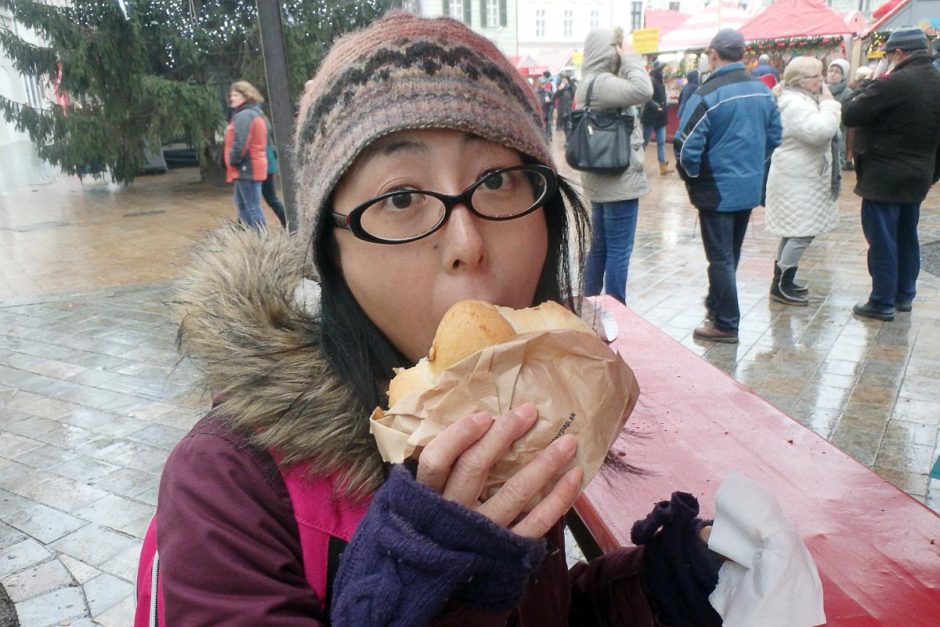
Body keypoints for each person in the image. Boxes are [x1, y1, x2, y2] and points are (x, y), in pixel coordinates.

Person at [135, 13, 724, 626]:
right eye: (399, 198)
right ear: (331, 253)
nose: (466, 241)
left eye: (497, 180)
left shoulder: (516, 406)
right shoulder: (226, 486)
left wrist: (660, 588)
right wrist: (430, 591)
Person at [674, 29, 782, 343]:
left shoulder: (709, 92)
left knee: (720, 257)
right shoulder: (761, 90)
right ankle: (716, 304)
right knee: (729, 255)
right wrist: (753, 165)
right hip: (746, 186)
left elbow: (686, 145)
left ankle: (726, 323)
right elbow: (775, 136)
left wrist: (693, 177)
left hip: (717, 188)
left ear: (712, 54)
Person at [842, 27, 940, 321]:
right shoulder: (936, 81)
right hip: (919, 174)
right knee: (907, 235)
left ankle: (882, 300)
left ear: (898, 54)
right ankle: (903, 295)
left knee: (883, 238)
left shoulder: (892, 83)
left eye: (887, 55)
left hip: (884, 176)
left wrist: (865, 85)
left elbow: (850, 114)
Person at [576, 28, 654, 304]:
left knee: (600, 248)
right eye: (618, 47)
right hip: (619, 181)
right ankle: (617, 308)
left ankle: (591, 304)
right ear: (610, 50)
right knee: (619, 250)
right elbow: (644, 89)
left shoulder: (589, 81)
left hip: (600, 179)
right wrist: (632, 58)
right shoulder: (604, 83)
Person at [764, 57, 842, 306]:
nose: (821, 80)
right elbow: (820, 132)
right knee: (802, 233)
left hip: (801, 177)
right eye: (815, 76)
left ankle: (782, 281)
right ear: (800, 80)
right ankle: (782, 284)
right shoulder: (794, 104)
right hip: (798, 180)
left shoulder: (798, 99)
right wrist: (831, 105)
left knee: (794, 231)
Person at [224, 80, 268, 230]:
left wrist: (233, 160)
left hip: (247, 167)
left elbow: (241, 141)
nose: (232, 98)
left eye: (235, 95)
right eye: (231, 95)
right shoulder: (251, 113)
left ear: (246, 96)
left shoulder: (244, 115)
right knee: (243, 205)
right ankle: (249, 236)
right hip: (248, 166)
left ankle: (260, 238)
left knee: (252, 207)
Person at [641, 61, 674, 175]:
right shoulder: (651, 80)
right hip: (651, 116)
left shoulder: (660, 81)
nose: (665, 71)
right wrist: (657, 106)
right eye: (663, 69)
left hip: (660, 117)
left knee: (661, 142)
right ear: (659, 70)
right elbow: (646, 97)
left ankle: (662, 166)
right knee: (644, 142)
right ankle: (637, 165)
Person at [826, 59, 854, 171]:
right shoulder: (820, 89)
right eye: (830, 70)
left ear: (843, 75)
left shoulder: (848, 93)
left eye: (837, 72)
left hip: (839, 136)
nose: (832, 74)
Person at [262, 115, 288, 228]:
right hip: (267, 165)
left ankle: (287, 222)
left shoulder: (258, 119)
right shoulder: (262, 118)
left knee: (270, 198)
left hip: (264, 167)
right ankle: (287, 222)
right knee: (247, 199)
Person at [552, 75, 574, 143]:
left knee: (570, 126)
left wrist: (569, 85)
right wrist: (559, 89)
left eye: (565, 80)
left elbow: (574, 92)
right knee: (565, 127)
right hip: (563, 110)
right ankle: (567, 140)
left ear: (568, 80)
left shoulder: (571, 88)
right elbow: (554, 98)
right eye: (562, 80)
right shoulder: (561, 90)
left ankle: (569, 141)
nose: (563, 81)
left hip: (570, 110)